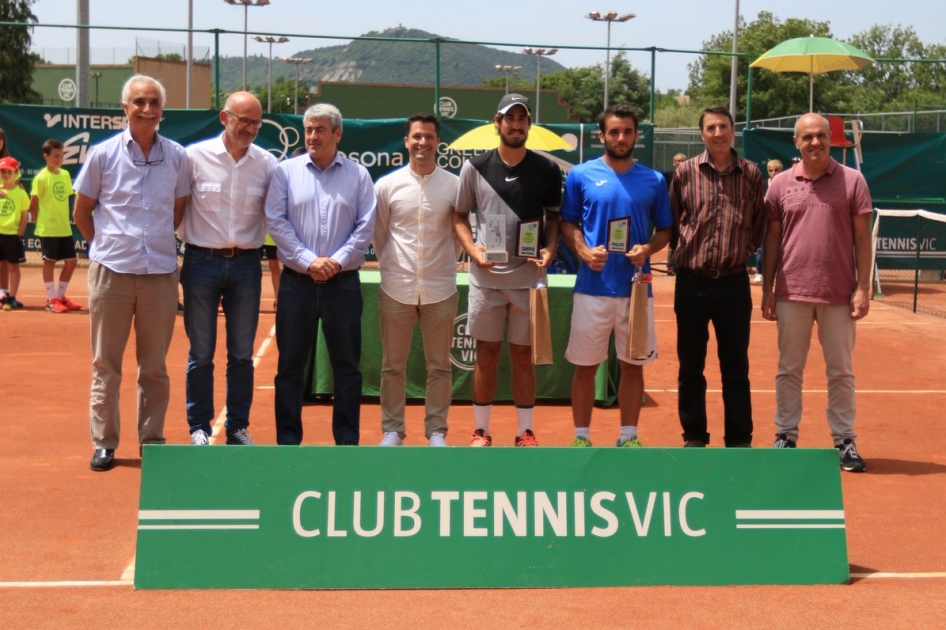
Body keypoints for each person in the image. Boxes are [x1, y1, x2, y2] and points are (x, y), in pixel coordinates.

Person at [73, 75, 191, 471]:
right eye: (139, 101)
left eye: (154, 102)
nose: (147, 108)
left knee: (154, 366)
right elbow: (82, 210)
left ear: (162, 110)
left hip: (159, 273)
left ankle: (152, 440)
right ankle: (104, 442)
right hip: (111, 274)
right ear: (125, 108)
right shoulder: (103, 155)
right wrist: (104, 247)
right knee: (106, 364)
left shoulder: (177, 156)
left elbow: (178, 210)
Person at [762, 113, 872, 473]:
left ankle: (845, 441)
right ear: (796, 142)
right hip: (791, 291)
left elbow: (861, 238)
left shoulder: (853, 181)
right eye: (807, 137)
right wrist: (768, 288)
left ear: (830, 139)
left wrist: (863, 288)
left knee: (840, 371)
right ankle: (785, 435)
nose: (815, 142)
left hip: (839, 294)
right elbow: (773, 238)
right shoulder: (779, 184)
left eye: (821, 135)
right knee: (788, 369)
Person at [561, 104, 673, 447]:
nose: (621, 137)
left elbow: (666, 229)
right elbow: (568, 223)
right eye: (614, 132)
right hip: (592, 288)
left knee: (632, 366)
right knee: (585, 366)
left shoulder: (654, 180)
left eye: (627, 131)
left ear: (636, 136)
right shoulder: (580, 175)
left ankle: (629, 436)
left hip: (636, 290)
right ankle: (581, 436)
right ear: (601, 136)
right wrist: (583, 252)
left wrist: (647, 249)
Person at [453, 93, 561, 447]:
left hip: (528, 280)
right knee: (486, 354)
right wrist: (472, 251)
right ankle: (481, 431)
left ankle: (524, 431)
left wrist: (549, 249)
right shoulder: (474, 167)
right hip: (486, 280)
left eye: (522, 118)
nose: (516, 124)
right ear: (496, 122)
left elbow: (555, 219)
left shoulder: (547, 169)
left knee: (521, 356)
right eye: (509, 118)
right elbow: (458, 216)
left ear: (528, 124)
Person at [265, 103, 376, 446]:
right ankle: (287, 441)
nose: (312, 136)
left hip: (343, 285)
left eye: (320, 130)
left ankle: (346, 442)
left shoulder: (358, 175)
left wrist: (337, 262)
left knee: (347, 369)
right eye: (309, 129)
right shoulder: (285, 172)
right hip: (297, 283)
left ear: (337, 134)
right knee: (289, 369)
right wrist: (309, 260)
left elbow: (365, 226)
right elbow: (276, 221)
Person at [180, 91, 278, 447]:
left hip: (247, 267)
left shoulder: (267, 164)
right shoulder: (192, 158)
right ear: (224, 117)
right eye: (243, 120)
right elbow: (176, 207)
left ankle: (237, 426)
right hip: (200, 262)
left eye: (256, 122)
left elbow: (278, 218)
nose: (250, 128)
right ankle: (199, 427)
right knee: (201, 352)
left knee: (241, 354)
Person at [670, 105, 765, 448]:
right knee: (691, 366)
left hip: (734, 283)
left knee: (735, 367)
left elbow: (757, 227)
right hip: (692, 283)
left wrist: (737, 254)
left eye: (723, 126)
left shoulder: (752, 174)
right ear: (702, 134)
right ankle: (694, 435)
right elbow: (676, 219)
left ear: (733, 130)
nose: (718, 133)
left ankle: (739, 439)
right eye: (711, 128)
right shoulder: (684, 173)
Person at [373, 113, 459, 447]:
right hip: (396, 289)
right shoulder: (387, 185)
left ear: (438, 142)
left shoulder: (454, 185)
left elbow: (458, 235)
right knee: (392, 366)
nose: (423, 142)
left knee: (439, 367)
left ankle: (437, 431)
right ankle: (393, 429)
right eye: (417, 136)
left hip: (441, 289)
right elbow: (380, 234)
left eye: (429, 137)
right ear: (407, 140)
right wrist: (394, 268)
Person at [29, 139, 80, 313]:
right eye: (56, 156)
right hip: (48, 229)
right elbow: (32, 205)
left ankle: (60, 296)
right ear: (46, 156)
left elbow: (66, 198)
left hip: (64, 228)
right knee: (49, 262)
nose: (59, 159)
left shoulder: (65, 175)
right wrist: (40, 224)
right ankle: (51, 300)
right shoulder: (41, 178)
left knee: (72, 262)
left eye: (61, 156)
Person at [0, 157, 29, 311]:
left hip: (12, 236)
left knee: (13, 267)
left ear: (16, 173)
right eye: (3, 171)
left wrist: (20, 235)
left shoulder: (21, 194)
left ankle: (12, 297)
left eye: (8, 171)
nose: (5, 174)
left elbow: (24, 216)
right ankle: (2, 295)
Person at [752, 159, 783, 284]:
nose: (774, 173)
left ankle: (779, 273)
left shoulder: (785, 184)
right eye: (771, 170)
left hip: (781, 220)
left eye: (776, 170)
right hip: (765, 220)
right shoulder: (763, 184)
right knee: (761, 249)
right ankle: (759, 272)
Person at [662, 153, 687, 276]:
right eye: (678, 161)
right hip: (670, 211)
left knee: (685, 238)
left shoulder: (691, 176)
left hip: (685, 213)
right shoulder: (667, 176)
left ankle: (682, 265)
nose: (680, 163)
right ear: (674, 162)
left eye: (683, 160)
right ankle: (671, 266)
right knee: (672, 238)